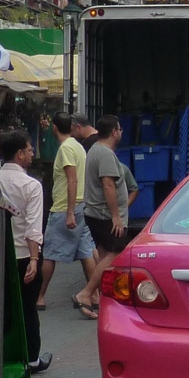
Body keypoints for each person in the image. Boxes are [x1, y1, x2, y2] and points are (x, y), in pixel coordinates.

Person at [0, 129, 53, 373]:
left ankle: (0, 355)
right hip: (22, 255)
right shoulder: (31, 185)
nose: (32, 153)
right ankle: (31, 359)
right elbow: (33, 226)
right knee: (27, 308)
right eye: (29, 149)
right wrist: (35, 258)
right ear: (19, 154)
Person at [41, 115, 98, 319]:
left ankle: (40, 296)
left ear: (54, 128)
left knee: (49, 253)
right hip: (82, 204)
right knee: (86, 251)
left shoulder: (66, 149)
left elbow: (71, 180)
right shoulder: (78, 146)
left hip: (66, 206)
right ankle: (94, 294)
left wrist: (70, 211)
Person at [81, 115, 129, 261]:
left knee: (103, 254)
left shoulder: (95, 149)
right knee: (114, 253)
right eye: (120, 129)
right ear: (114, 132)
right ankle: (90, 286)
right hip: (105, 215)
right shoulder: (105, 154)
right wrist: (116, 216)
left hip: (95, 213)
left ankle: (102, 285)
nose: (122, 133)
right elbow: (108, 185)